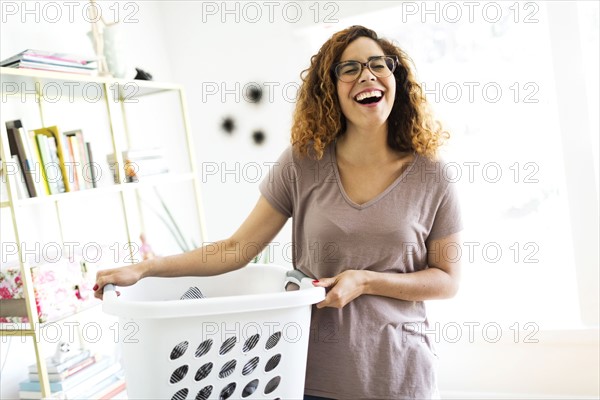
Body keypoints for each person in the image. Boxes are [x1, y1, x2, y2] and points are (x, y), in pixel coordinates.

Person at [94, 25, 462, 400]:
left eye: (377, 64)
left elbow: (447, 280)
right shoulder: (303, 164)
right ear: (329, 89)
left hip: (398, 375)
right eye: (348, 69)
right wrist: (145, 268)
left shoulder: (432, 175)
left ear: (394, 77)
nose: (366, 74)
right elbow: (236, 248)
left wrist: (367, 281)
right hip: (310, 372)